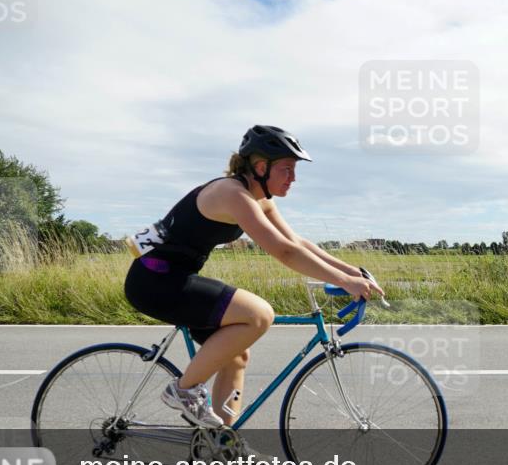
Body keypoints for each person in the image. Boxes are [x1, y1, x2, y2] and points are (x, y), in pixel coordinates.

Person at [124, 125, 384, 429]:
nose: (294, 178)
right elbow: (283, 252)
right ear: (261, 167)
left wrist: (351, 272)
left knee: (236, 356)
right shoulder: (232, 194)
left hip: (175, 279)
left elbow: (297, 243)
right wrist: (344, 282)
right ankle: (182, 390)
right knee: (258, 315)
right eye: (287, 169)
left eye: (295, 169)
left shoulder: (260, 198)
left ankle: (221, 440)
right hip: (155, 281)